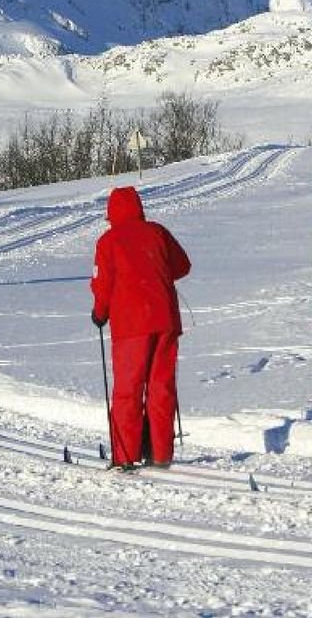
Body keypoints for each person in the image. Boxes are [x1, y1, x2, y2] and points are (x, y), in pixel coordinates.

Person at [91, 185, 191, 470]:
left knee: (128, 389)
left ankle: (125, 455)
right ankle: (160, 454)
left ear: (112, 214)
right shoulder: (158, 232)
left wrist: (100, 314)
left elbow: (103, 285)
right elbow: (182, 266)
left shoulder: (108, 241)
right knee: (161, 386)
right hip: (166, 320)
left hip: (130, 325)